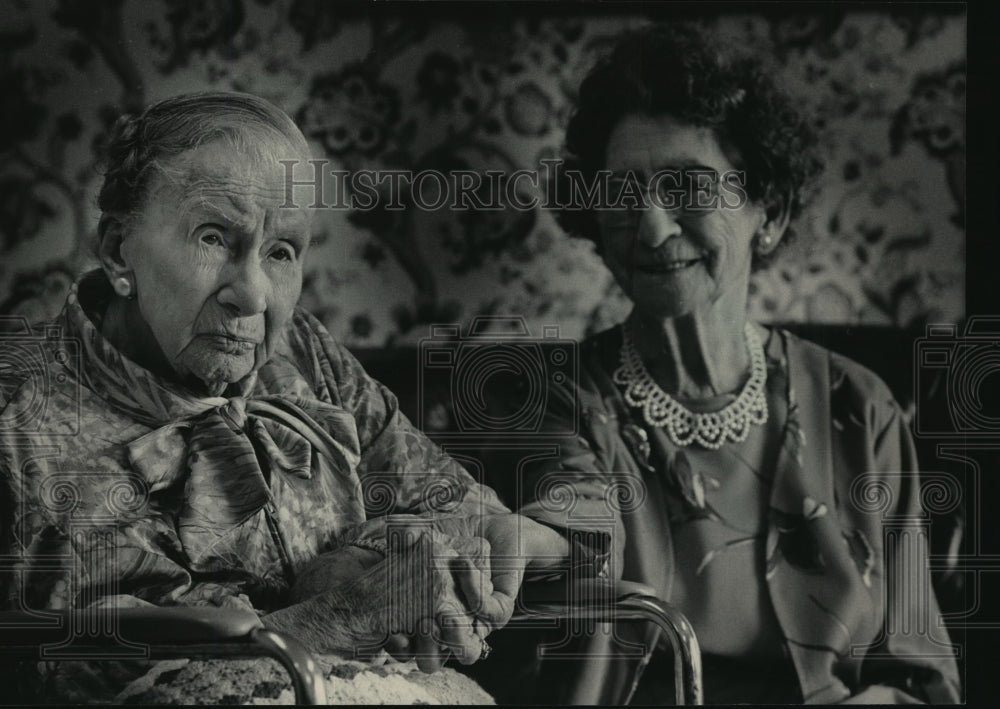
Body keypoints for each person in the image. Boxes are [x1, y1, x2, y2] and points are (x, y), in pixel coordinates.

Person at [0, 91, 580, 702]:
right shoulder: (24, 412)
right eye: (213, 237)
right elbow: (98, 677)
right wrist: (344, 616)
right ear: (120, 249)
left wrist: (504, 540)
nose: (252, 295)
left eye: (281, 251)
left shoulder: (301, 353)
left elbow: (446, 501)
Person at [517, 24, 962, 704]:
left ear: (770, 212)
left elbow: (916, 666)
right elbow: (564, 542)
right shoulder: (559, 401)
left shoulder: (860, 406)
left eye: (689, 187)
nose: (653, 226)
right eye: (622, 191)